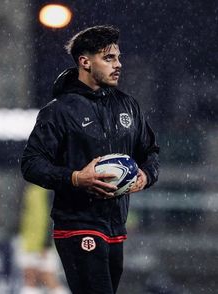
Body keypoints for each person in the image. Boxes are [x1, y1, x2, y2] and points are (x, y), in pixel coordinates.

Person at [21, 25, 159, 294]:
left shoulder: (129, 106)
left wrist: (146, 175)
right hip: (77, 224)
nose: (118, 65)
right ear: (85, 62)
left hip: (116, 227)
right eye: (108, 58)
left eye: (118, 58)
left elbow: (151, 152)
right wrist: (75, 178)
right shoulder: (59, 111)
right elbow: (30, 163)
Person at [18, 184, 70, 294]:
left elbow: (51, 218)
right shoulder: (29, 188)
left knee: (48, 278)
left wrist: (46, 244)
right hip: (28, 241)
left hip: (45, 244)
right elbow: (25, 216)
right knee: (30, 277)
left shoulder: (49, 191)